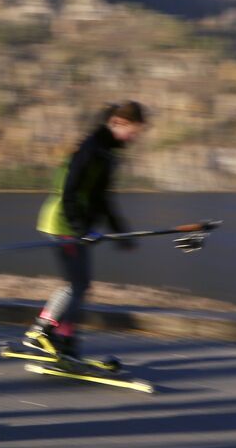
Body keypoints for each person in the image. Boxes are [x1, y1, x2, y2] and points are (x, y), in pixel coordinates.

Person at [26, 101, 147, 364]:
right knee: (78, 284)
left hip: (75, 224)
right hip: (63, 222)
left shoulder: (107, 152)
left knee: (78, 285)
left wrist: (121, 232)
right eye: (134, 130)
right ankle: (44, 331)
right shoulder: (92, 148)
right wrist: (80, 229)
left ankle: (64, 340)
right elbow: (70, 191)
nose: (135, 137)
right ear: (118, 122)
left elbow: (102, 197)